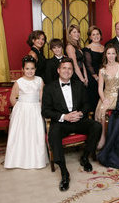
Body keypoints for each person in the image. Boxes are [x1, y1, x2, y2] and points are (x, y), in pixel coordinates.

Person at [42, 57, 102, 191]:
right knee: (54, 134)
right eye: (64, 68)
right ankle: (64, 172)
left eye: (70, 68)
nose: (67, 71)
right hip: (61, 122)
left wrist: (80, 113)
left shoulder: (78, 85)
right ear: (58, 70)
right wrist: (64, 116)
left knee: (96, 126)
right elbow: (45, 111)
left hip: (78, 120)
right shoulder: (49, 88)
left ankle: (85, 157)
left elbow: (87, 104)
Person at [4, 55, 48, 169]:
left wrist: (42, 109)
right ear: (22, 69)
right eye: (27, 69)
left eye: (32, 68)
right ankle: (18, 160)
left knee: (35, 134)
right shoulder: (19, 82)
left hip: (36, 108)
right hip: (22, 110)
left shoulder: (39, 80)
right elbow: (12, 98)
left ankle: (36, 160)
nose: (30, 71)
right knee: (21, 135)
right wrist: (19, 109)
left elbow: (42, 97)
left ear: (35, 69)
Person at [95, 44, 119, 150]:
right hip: (107, 95)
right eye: (109, 53)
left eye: (113, 53)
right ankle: (103, 137)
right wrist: (104, 100)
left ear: (116, 54)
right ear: (106, 55)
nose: (111, 56)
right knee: (103, 109)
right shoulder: (102, 70)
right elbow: (100, 88)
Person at [83, 26, 104, 113]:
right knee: (94, 100)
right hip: (92, 77)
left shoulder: (104, 47)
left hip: (103, 76)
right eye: (93, 34)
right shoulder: (87, 49)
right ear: (90, 37)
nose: (96, 36)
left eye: (97, 34)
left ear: (100, 35)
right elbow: (88, 65)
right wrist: (96, 77)